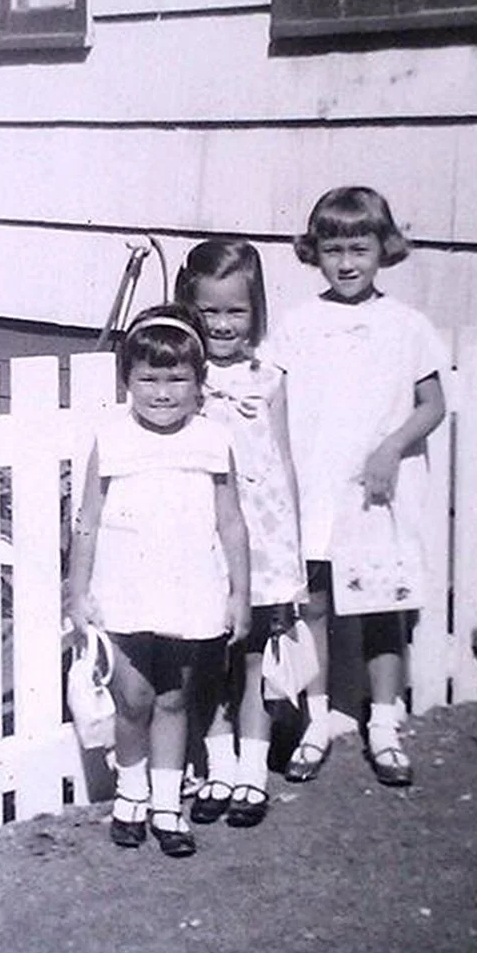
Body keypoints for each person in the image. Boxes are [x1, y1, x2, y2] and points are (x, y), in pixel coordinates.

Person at [267, 187, 447, 788]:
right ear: (314, 252)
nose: (346, 263)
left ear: (383, 249)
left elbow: (432, 405)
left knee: (382, 611)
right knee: (313, 605)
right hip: (316, 490)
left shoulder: (406, 325)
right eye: (332, 249)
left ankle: (385, 726)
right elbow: (278, 406)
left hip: (376, 494)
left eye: (359, 248)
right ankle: (317, 722)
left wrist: (391, 447)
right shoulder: (298, 325)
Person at [67, 305, 251, 857]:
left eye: (178, 379)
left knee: (173, 698)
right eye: (148, 378)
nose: (163, 392)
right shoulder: (113, 439)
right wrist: (77, 591)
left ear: (200, 383)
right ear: (127, 381)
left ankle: (168, 805)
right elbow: (88, 521)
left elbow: (232, 522)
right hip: (125, 588)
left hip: (189, 587)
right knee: (134, 697)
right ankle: (131, 795)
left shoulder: (213, 439)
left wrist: (240, 594)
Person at [175, 239, 306, 828]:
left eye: (236, 311)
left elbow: (283, 463)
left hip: (263, 542)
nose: (222, 325)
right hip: (202, 539)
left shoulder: (269, 378)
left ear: (256, 312)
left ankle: (253, 770)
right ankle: (219, 762)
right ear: (189, 308)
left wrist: (293, 557)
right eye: (209, 312)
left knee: (254, 656)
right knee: (205, 654)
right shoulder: (182, 379)